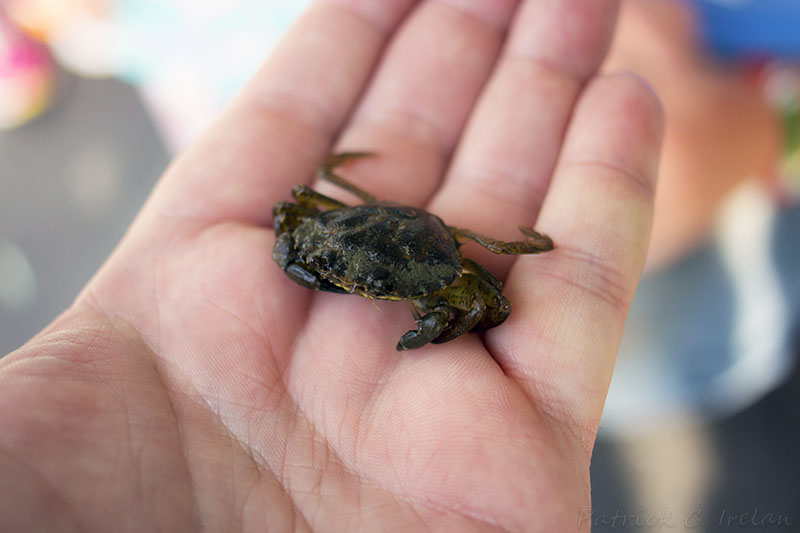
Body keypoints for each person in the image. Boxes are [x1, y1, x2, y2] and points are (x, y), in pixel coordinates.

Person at [0, 1, 662, 530]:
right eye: (351, 282)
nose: (362, 292)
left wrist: (427, 318)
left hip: (411, 239)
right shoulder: (316, 223)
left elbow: (498, 298)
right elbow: (292, 214)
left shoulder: (454, 267)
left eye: (374, 290)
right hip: (369, 227)